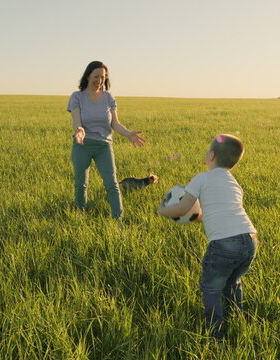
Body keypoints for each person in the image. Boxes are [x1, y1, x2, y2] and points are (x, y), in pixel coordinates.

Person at [157, 134, 258, 341]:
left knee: (211, 288)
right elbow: (215, 214)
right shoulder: (234, 183)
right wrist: (197, 217)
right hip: (249, 239)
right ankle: (236, 319)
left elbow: (184, 206)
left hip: (224, 244)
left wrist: (163, 211)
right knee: (233, 281)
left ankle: (215, 336)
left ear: (211, 155)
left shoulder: (202, 178)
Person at [67, 61, 145, 219]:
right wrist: (79, 131)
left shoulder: (108, 97)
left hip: (104, 147)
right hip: (82, 145)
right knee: (81, 185)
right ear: (88, 76)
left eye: (103, 77)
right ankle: (80, 216)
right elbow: (76, 122)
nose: (100, 80)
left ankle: (119, 220)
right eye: (96, 76)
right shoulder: (77, 97)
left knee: (112, 184)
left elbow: (115, 123)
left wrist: (129, 133)